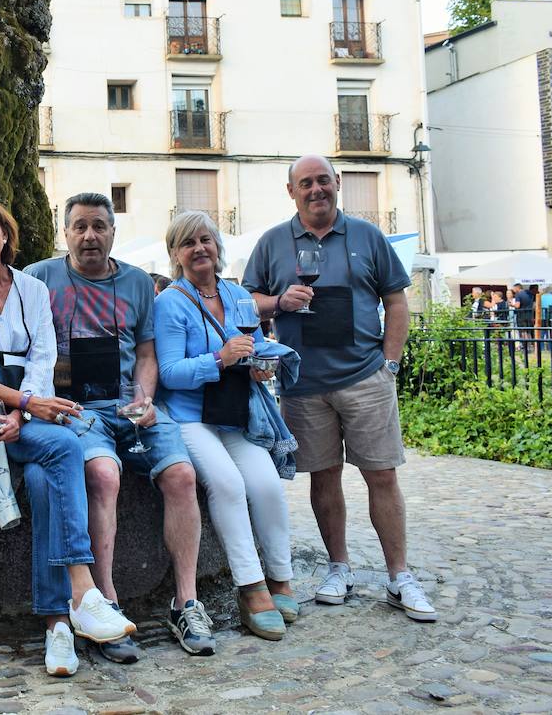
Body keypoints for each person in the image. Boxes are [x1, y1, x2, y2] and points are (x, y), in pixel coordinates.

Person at [0, 195, 136, 679]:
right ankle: (83, 592)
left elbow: (43, 358)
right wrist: (23, 407)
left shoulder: (31, 289)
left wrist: (25, 413)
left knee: (48, 479)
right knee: (65, 446)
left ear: (6, 234)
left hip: (27, 419)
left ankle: (57, 624)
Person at [244, 155, 436, 622]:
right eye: (305, 183)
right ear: (291, 191)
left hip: (365, 378)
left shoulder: (368, 236)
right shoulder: (272, 243)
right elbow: (244, 303)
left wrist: (390, 363)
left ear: (338, 184)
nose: (316, 190)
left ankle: (399, 575)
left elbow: (395, 301)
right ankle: (339, 567)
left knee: (382, 474)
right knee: (323, 477)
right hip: (303, 384)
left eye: (323, 181)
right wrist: (277, 301)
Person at [25, 193, 213, 661]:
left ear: (113, 232)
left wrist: (144, 397)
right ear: (64, 232)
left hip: (130, 405)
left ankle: (186, 602)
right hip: (73, 408)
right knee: (104, 475)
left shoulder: (135, 282)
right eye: (80, 227)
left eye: (99, 227)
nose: (90, 236)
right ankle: (105, 605)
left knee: (182, 475)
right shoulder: (37, 278)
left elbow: (148, 355)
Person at [156, 209, 301, 641]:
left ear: (218, 246)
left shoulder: (237, 294)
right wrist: (220, 359)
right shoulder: (170, 302)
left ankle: (280, 577)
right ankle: (251, 588)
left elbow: (253, 345)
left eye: (206, 240)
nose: (199, 248)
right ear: (176, 254)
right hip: (191, 415)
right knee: (227, 484)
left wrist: (261, 364)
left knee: (267, 484)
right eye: (188, 243)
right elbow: (168, 373)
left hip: (235, 413)